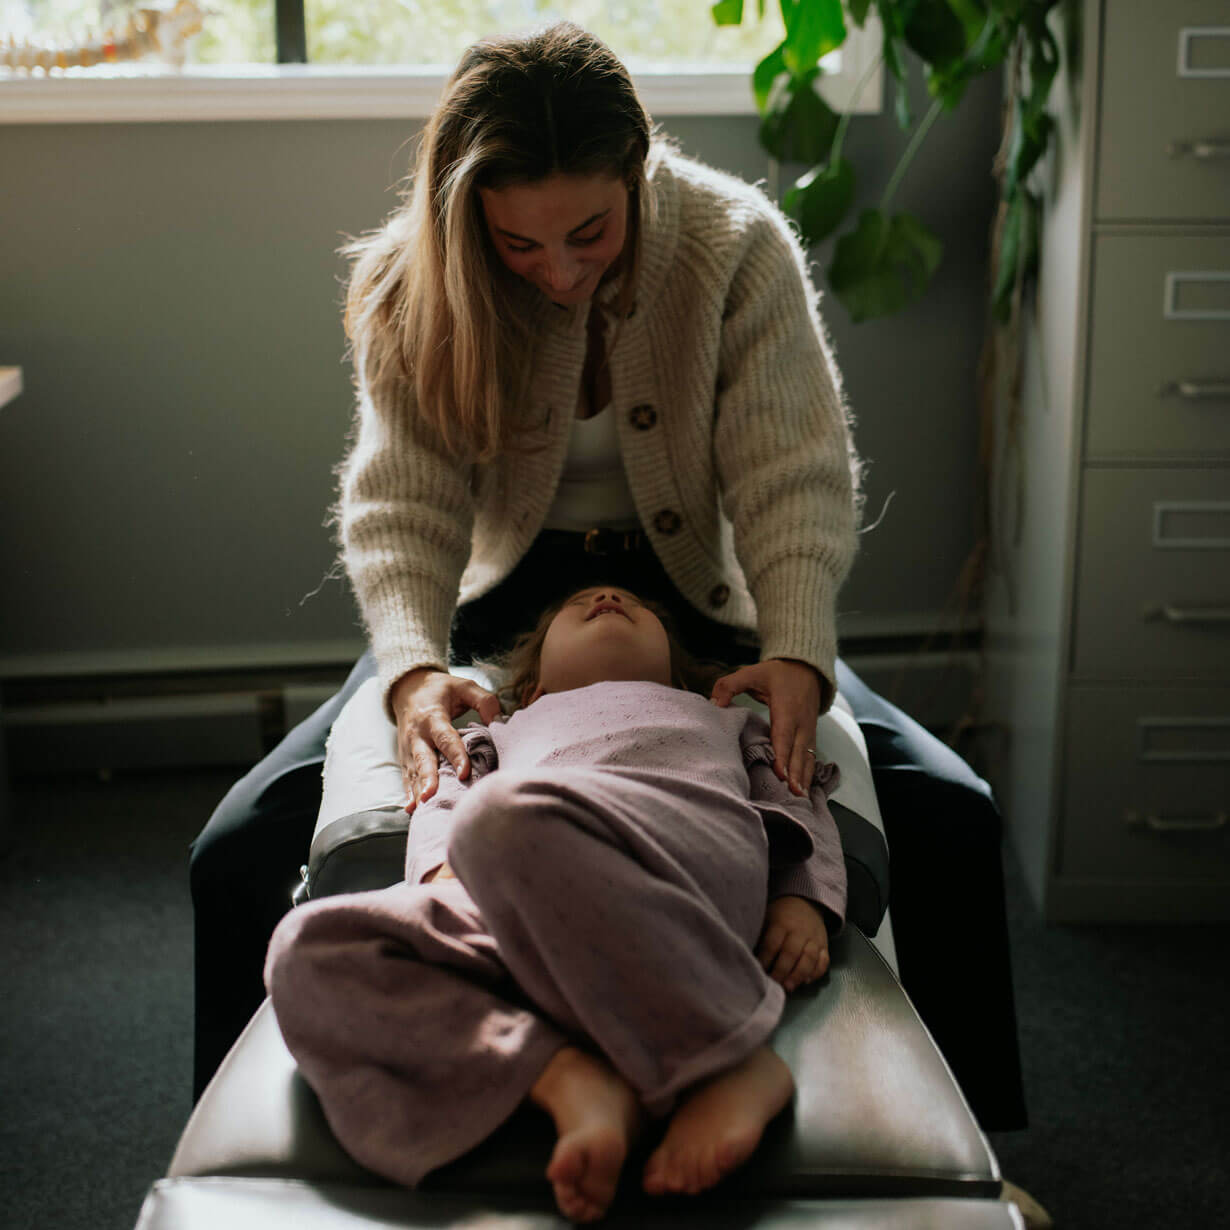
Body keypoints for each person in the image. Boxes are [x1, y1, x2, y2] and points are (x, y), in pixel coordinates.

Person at [191, 20, 1026, 1133]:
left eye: (588, 232)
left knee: (952, 817)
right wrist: (409, 673)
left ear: (637, 171)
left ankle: (973, 1165)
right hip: (491, 617)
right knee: (238, 847)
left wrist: (795, 656)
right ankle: (241, 1154)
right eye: (520, 247)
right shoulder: (417, 283)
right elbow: (402, 506)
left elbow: (796, 478)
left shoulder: (736, 248)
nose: (562, 271)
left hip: (707, 610)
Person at [264, 584, 847, 1222]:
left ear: (684, 676)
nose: (605, 594)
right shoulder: (501, 731)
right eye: (574, 605)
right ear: (534, 687)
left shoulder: (725, 718)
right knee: (306, 946)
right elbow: (443, 805)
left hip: (682, 875)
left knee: (499, 820)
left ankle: (728, 1060)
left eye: (635, 602)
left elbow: (796, 797)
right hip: (513, 892)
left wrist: (804, 898)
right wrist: (439, 884)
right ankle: (564, 1076)